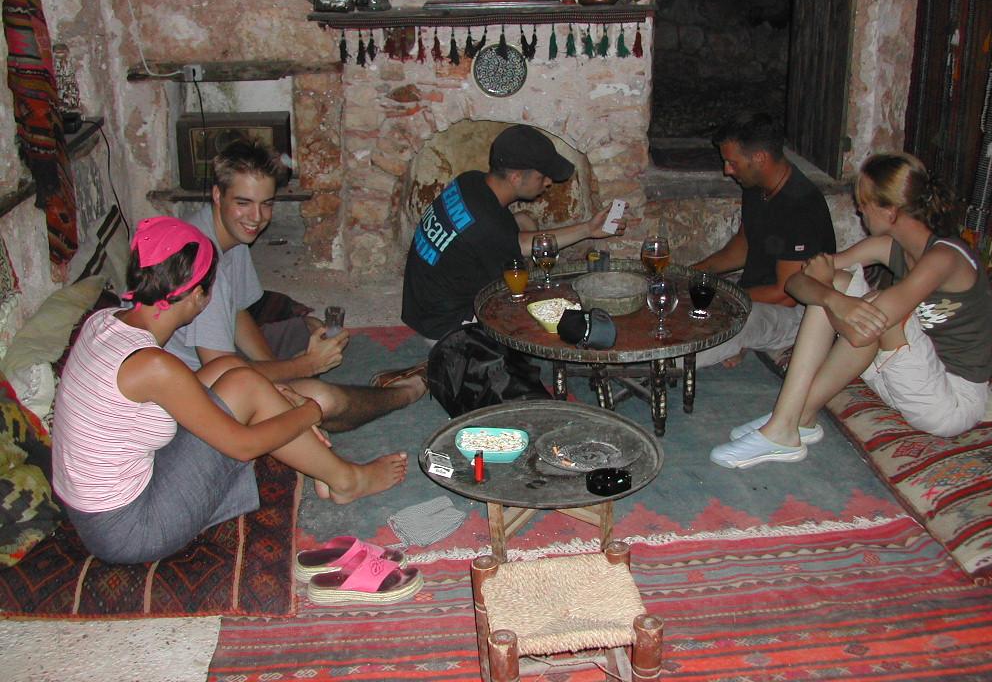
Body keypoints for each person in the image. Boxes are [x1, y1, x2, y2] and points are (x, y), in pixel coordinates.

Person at [51, 217, 408, 564]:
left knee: (234, 371)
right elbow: (243, 445)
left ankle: (330, 470)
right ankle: (348, 479)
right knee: (248, 389)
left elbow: (213, 377)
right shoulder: (154, 367)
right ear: (197, 296)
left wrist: (282, 399)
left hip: (90, 512)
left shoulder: (105, 321)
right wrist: (310, 411)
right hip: (129, 529)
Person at [711, 153, 992, 469]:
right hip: (901, 376)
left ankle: (784, 426)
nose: (859, 210)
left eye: (864, 202)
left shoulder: (944, 258)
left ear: (891, 211)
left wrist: (830, 295)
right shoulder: (887, 247)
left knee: (873, 308)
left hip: (948, 403)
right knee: (841, 288)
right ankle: (796, 418)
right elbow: (798, 281)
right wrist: (832, 298)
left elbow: (862, 332)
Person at [163, 139, 423, 431]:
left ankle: (293, 380)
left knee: (307, 328)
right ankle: (406, 393)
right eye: (243, 203)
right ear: (217, 195)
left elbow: (237, 313)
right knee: (323, 401)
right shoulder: (203, 261)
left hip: (215, 363)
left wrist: (282, 372)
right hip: (189, 397)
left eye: (266, 204)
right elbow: (222, 374)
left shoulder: (227, 235)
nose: (256, 218)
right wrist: (306, 367)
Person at [401, 124, 629, 341]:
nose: (549, 182)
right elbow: (512, 275)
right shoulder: (486, 226)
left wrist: (589, 229)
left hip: (421, 303)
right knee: (535, 312)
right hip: (444, 324)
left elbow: (508, 238)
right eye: (542, 176)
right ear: (516, 177)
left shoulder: (470, 180)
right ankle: (426, 374)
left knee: (524, 219)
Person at [691, 113, 836, 369]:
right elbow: (743, 245)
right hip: (754, 293)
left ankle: (664, 362)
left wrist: (724, 298)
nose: (727, 170)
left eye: (732, 162)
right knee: (687, 299)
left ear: (760, 158)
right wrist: (693, 273)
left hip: (795, 313)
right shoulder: (756, 186)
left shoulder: (801, 206)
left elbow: (786, 293)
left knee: (708, 323)